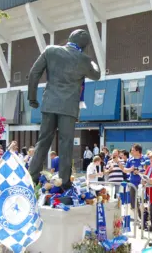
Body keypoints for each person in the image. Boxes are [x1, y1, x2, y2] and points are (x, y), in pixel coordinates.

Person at [27, 29, 101, 189]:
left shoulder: (50, 50)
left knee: (43, 141)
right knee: (66, 144)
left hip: (49, 104)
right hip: (69, 107)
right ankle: (64, 182)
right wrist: (92, 61)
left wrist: (32, 98)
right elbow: (97, 75)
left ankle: (31, 178)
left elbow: (33, 74)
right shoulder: (84, 60)